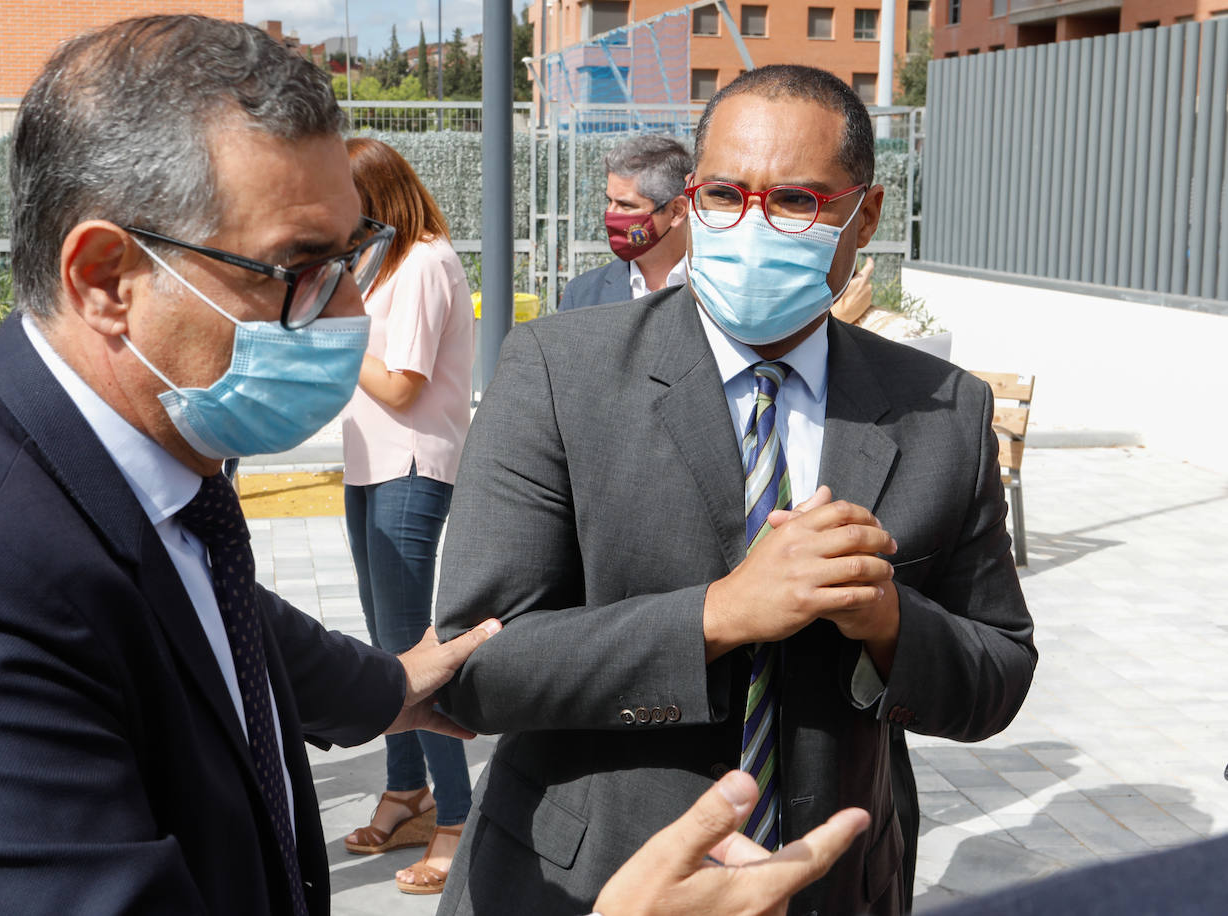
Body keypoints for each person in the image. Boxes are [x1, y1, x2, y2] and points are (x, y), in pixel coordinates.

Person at [0, 16, 500, 915]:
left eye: (354, 258)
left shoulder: (136, 464)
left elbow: (212, 610)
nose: (349, 311)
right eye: (299, 269)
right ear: (107, 278)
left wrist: (394, 685)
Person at [434, 63, 1036, 916]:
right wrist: (717, 615)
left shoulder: (942, 412)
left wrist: (891, 620)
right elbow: (477, 666)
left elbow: (1000, 673)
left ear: (864, 216)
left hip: (835, 884)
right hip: (583, 880)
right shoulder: (559, 372)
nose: (751, 225)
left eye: (795, 201)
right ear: (689, 199)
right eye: (724, 194)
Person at [338, 137, 475, 895]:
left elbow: (401, 388)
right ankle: (406, 792)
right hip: (371, 465)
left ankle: (455, 814)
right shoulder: (378, 260)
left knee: (411, 650)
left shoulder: (423, 261)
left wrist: (335, 338)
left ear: (376, 195)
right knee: (383, 644)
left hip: (412, 466)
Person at [558, 134, 692, 311]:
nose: (611, 214)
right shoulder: (583, 296)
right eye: (609, 201)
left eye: (626, 205)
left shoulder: (721, 289)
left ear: (677, 211)